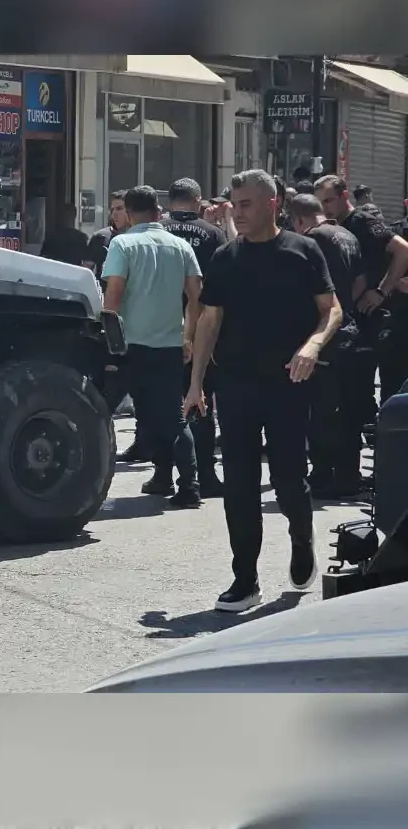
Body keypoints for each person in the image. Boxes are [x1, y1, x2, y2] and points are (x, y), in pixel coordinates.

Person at [186, 169, 342, 613]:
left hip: (288, 383)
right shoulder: (226, 257)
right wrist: (196, 384)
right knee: (239, 483)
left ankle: (300, 537)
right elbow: (208, 321)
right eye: (234, 204)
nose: (237, 211)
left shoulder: (303, 250)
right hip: (234, 384)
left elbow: (331, 310)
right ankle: (244, 578)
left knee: (289, 479)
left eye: (246, 204)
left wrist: (312, 345)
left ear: (272, 204)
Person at [102, 185, 204, 508]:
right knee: (162, 413)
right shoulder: (180, 246)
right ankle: (167, 477)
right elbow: (196, 296)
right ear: (158, 212)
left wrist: (108, 339)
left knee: (119, 409)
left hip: (131, 344)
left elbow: (113, 295)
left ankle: (188, 484)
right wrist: (188, 336)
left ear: (128, 215)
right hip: (171, 345)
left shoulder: (122, 243)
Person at [288, 193, 364, 499]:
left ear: (299, 219)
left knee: (322, 410)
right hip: (349, 329)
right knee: (348, 408)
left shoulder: (314, 238)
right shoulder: (347, 234)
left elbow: (306, 286)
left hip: (325, 332)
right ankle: (348, 473)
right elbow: (360, 280)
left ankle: (323, 474)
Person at [315, 175, 408, 409]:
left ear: (344, 196)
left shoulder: (362, 222)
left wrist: (381, 290)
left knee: (389, 385)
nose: (325, 208)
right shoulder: (331, 228)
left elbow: (403, 250)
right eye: (320, 203)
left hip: (382, 318)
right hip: (354, 318)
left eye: (328, 201)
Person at [162, 178, 229, 498]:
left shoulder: (156, 231)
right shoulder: (214, 234)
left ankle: (163, 473)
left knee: (164, 404)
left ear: (171, 199)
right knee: (200, 399)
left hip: (160, 329)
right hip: (203, 327)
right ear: (198, 200)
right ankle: (205, 473)